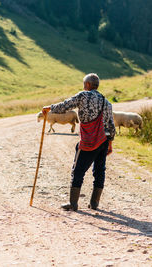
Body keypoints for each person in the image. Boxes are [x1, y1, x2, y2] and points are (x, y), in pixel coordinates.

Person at [42, 73, 115, 211]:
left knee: (78, 170)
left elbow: (65, 106)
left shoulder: (83, 96)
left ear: (87, 85)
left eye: (84, 83)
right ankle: (94, 203)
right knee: (100, 171)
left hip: (90, 140)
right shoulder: (106, 102)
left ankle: (73, 204)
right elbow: (110, 124)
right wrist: (110, 143)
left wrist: (49, 108)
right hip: (103, 140)